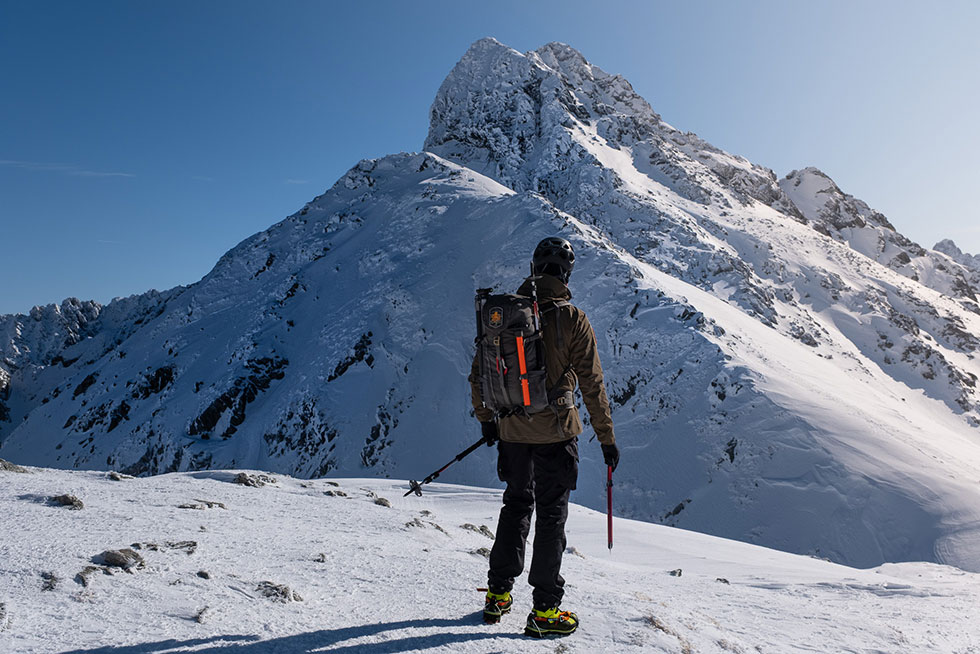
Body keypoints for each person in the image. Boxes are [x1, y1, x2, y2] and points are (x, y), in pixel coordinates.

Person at [469, 236, 619, 637]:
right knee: (551, 515)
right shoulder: (572, 319)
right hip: (556, 433)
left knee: (516, 506)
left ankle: (497, 594)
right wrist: (606, 438)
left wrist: (487, 420)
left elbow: (478, 375)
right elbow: (593, 385)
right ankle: (545, 610)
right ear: (566, 274)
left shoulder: (503, 315)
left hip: (512, 431)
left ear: (534, 269)